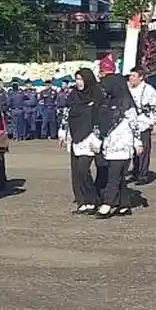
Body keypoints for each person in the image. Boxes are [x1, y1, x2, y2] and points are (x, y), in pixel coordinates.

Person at [97, 70, 142, 217]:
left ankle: (108, 203)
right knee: (119, 177)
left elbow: (135, 125)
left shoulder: (126, 103)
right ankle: (124, 204)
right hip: (109, 144)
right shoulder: (107, 101)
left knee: (114, 175)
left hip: (122, 144)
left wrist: (138, 143)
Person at [59, 68, 103, 214]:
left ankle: (93, 199)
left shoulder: (97, 94)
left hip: (90, 136)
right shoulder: (73, 95)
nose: (79, 82)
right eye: (77, 79)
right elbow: (67, 113)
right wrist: (63, 132)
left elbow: (100, 118)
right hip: (74, 135)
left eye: (81, 79)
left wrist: (98, 137)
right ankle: (82, 200)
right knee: (76, 171)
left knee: (84, 169)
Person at [127, 67, 156, 184]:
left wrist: (152, 122)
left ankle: (143, 174)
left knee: (143, 150)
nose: (131, 78)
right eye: (130, 76)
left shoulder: (148, 90)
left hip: (143, 123)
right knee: (134, 149)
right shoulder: (129, 89)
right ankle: (135, 172)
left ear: (141, 77)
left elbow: (155, 108)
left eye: (133, 76)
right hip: (131, 123)